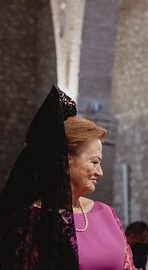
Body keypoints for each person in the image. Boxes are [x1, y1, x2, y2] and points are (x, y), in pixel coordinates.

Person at [0, 85, 134, 269]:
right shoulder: (30, 220)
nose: (100, 172)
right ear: (65, 160)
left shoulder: (106, 213)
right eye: (94, 162)